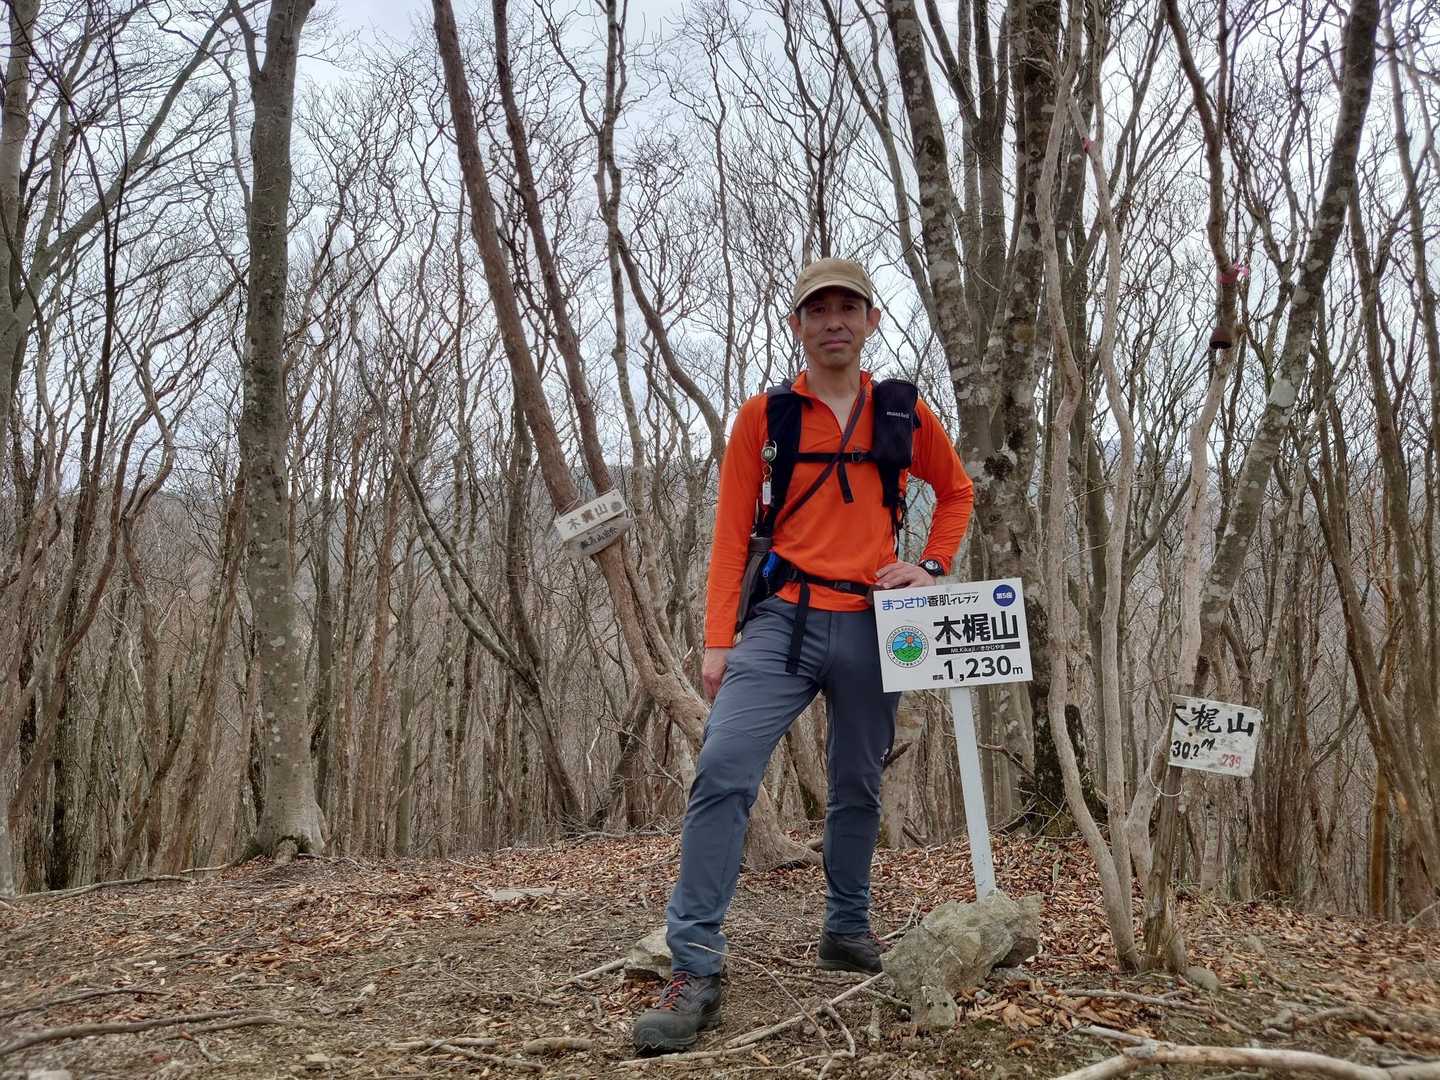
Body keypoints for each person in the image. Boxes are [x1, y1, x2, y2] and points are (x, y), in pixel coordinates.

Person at [632, 258, 974, 1054]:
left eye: (848, 308)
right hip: (780, 621)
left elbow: (957, 492)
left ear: (871, 322)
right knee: (723, 769)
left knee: (858, 783)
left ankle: (847, 929)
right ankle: (694, 966)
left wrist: (929, 565)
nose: (833, 322)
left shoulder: (902, 411)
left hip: (874, 623)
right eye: (818, 310)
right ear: (798, 325)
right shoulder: (766, 417)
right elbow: (730, 533)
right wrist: (720, 639)